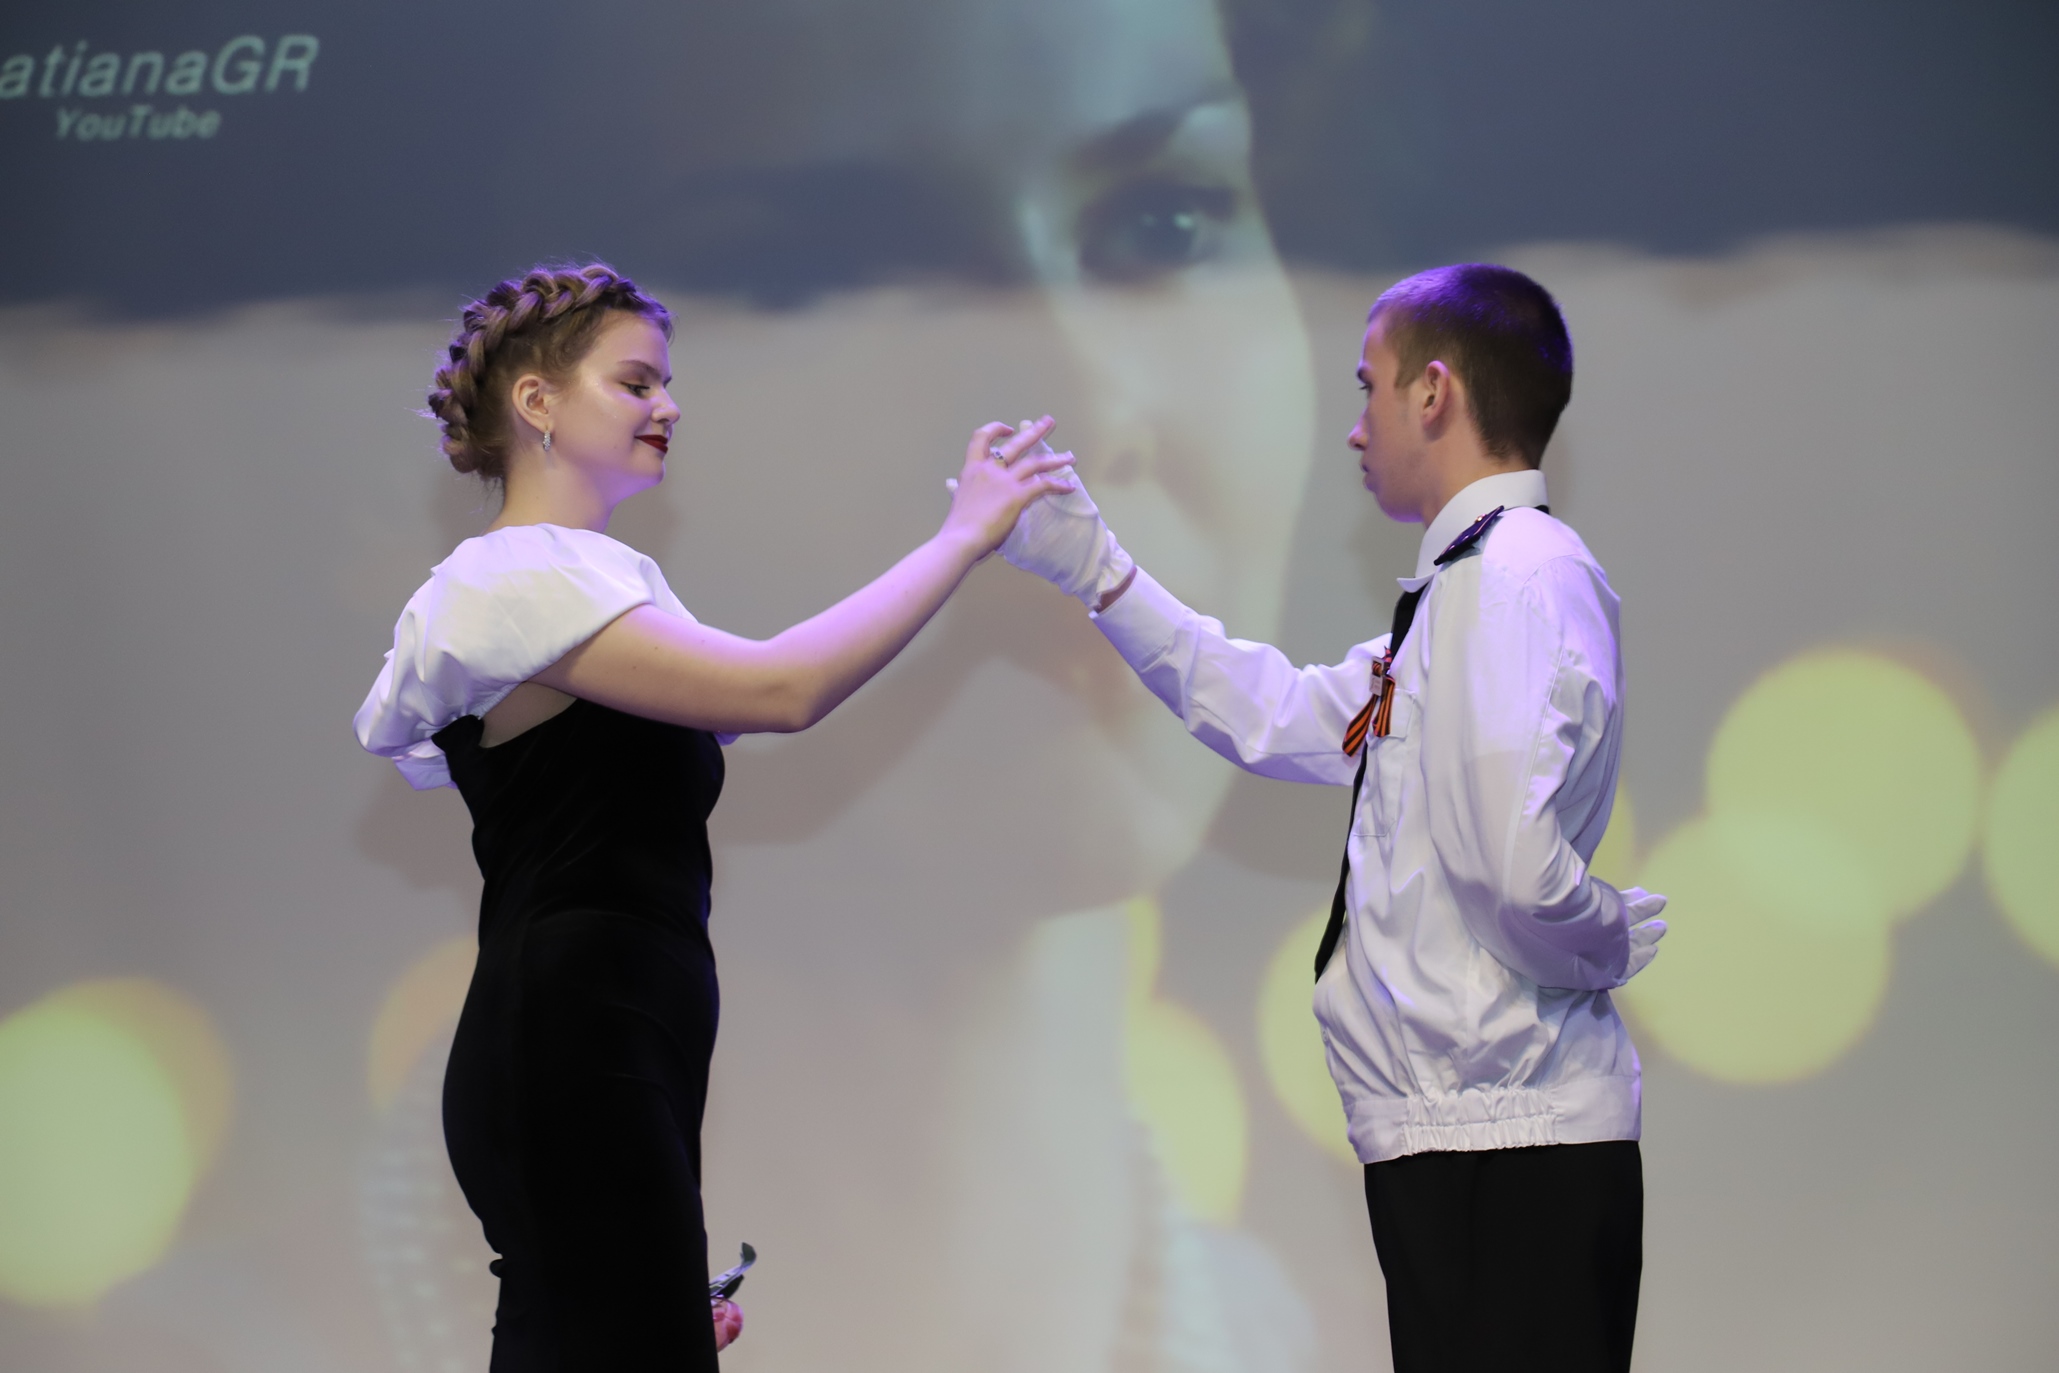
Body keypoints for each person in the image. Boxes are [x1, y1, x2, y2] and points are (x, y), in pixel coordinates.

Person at [353, 262, 1074, 1369]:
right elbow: (782, 688)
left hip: (614, 1028)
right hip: (574, 1029)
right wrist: (958, 539)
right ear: (537, 402)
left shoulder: (600, 583)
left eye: (666, 383)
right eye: (636, 381)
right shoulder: (509, 579)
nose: (669, 406)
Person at [1000, 262, 1670, 1373]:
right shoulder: (1464, 590)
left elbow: (1509, 864)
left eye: (1368, 387)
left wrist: (1597, 935)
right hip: (1460, 1136)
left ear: (1433, 392)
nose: (1355, 427)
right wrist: (1100, 571)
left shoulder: (1514, 576)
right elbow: (1274, 713)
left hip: (1508, 1145)